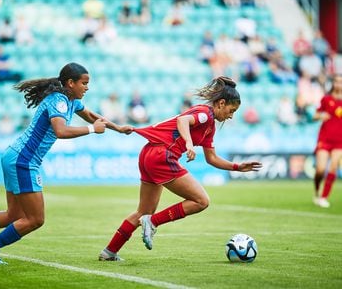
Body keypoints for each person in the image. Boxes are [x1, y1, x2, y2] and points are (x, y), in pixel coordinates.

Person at [0, 62, 133, 265]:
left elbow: (90, 116)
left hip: (15, 155)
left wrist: (117, 128)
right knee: (35, 219)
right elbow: (61, 131)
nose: (87, 87)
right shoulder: (59, 101)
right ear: (71, 83)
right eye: (84, 83)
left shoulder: (71, 100)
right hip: (24, 160)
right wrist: (92, 130)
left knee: (14, 214)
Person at [98, 76, 262, 261]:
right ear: (221, 103)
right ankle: (152, 222)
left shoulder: (210, 127)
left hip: (149, 154)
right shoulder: (205, 113)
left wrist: (237, 167)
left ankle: (109, 252)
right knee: (201, 201)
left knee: (143, 211)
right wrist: (189, 143)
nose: (231, 116)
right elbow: (183, 121)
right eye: (231, 110)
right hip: (162, 155)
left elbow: (212, 158)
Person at [312, 74, 342, 208]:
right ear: (333, 83)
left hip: (339, 141)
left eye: (341, 82)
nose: (338, 85)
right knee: (320, 170)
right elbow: (315, 115)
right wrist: (321, 115)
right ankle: (317, 190)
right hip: (325, 139)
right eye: (336, 82)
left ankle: (324, 197)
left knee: (333, 167)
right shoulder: (326, 99)